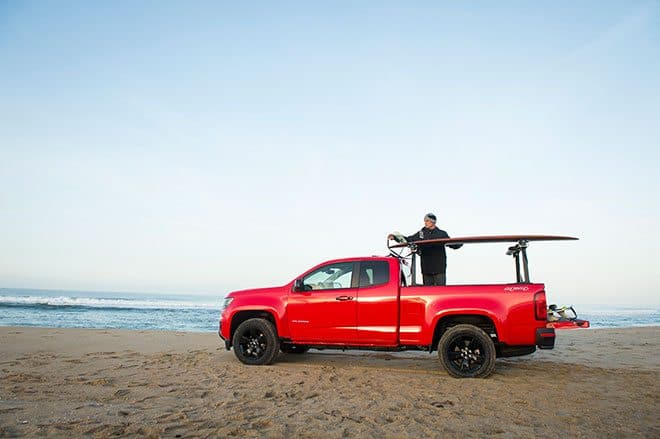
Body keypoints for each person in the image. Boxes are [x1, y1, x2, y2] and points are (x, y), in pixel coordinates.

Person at [389, 213, 462, 286]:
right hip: (426, 268)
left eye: (427, 221)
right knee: (427, 291)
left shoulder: (441, 234)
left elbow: (451, 244)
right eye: (425, 221)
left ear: (433, 222)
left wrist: (460, 242)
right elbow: (409, 239)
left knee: (440, 290)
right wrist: (395, 237)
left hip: (439, 268)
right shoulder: (421, 233)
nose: (425, 223)